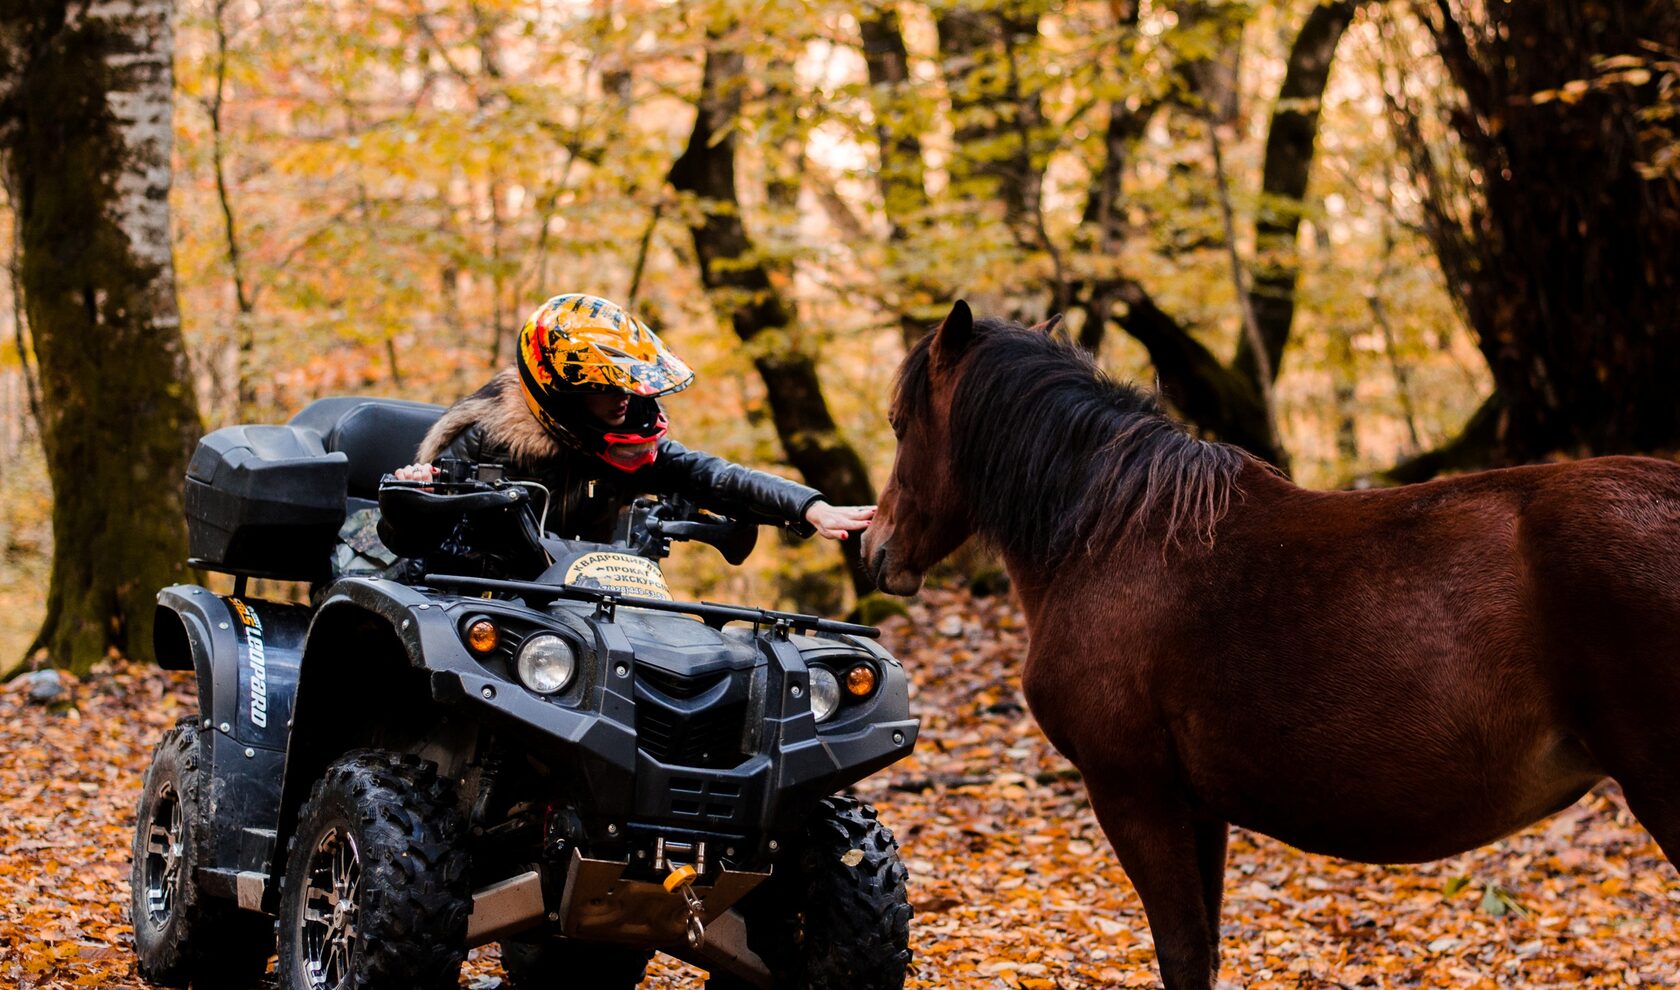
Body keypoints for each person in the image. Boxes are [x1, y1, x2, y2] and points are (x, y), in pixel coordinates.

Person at [395, 292, 873, 544]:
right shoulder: (486, 440)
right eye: (604, 387)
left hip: (587, 610)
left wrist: (808, 507)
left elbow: (717, 477)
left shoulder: (621, 443)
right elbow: (415, 545)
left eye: (627, 385)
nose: (622, 400)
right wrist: (413, 500)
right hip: (484, 608)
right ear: (561, 389)